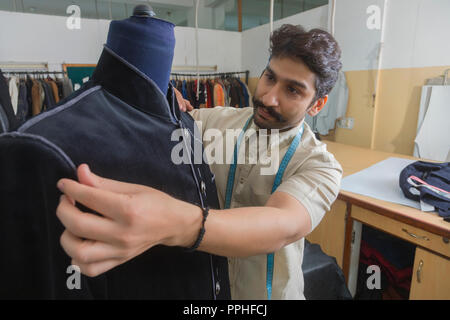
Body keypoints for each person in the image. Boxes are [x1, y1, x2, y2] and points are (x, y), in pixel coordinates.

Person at [55, 24, 343, 300]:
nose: (269, 97)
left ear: (317, 104)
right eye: (270, 77)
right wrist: (160, 100)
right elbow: (154, 133)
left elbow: (281, 225)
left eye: (292, 90)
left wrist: (172, 224)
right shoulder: (212, 123)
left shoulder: (319, 166)